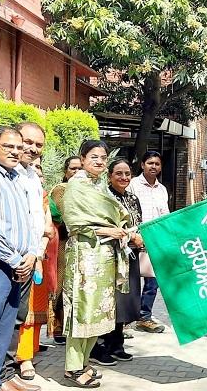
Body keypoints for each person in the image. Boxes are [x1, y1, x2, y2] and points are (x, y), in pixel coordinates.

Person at [61, 140, 131, 388]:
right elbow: (76, 223)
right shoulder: (77, 186)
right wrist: (109, 231)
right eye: (94, 157)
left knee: (98, 311)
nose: (100, 162)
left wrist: (117, 231)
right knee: (82, 310)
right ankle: (73, 367)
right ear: (82, 158)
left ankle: (84, 361)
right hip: (84, 256)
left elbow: (115, 217)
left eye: (103, 157)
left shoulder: (98, 186)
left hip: (103, 257)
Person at [0, 126, 38, 391]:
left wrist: (30, 253)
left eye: (19, 147)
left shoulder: (16, 178)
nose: (16, 152)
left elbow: (27, 221)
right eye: (9, 146)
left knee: (3, 333)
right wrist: (17, 260)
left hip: (18, 266)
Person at [90, 159, 144, 365]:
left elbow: (138, 223)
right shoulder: (105, 197)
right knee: (110, 301)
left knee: (125, 301)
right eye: (118, 174)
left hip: (130, 255)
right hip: (110, 255)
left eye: (127, 174)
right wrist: (130, 237)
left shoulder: (132, 197)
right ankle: (101, 345)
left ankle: (116, 345)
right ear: (110, 175)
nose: (123, 178)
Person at [10, 124, 48, 385]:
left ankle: (5, 373)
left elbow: (37, 222)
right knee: (0, 318)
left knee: (16, 319)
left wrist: (37, 253)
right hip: (7, 259)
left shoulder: (33, 178)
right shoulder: (3, 175)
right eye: (28, 142)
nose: (32, 149)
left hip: (30, 259)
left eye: (39, 145)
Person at [14, 158, 56, 382]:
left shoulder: (42, 194)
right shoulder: (17, 190)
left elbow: (48, 228)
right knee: (25, 310)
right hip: (25, 258)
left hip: (42, 256)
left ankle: (33, 349)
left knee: (38, 307)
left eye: (40, 166)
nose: (37, 170)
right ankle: (23, 357)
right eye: (34, 166)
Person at [127, 151, 169, 333]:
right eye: (150, 163)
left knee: (152, 281)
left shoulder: (162, 189)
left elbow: (164, 215)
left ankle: (144, 317)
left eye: (157, 164)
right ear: (143, 164)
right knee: (131, 281)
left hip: (155, 241)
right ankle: (124, 322)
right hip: (134, 240)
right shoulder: (133, 185)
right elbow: (127, 211)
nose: (154, 167)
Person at [49, 156, 82, 346]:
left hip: (83, 245)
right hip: (63, 243)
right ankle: (58, 325)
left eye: (80, 169)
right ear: (65, 171)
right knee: (61, 283)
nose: (76, 173)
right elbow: (66, 214)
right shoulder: (61, 190)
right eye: (73, 169)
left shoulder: (88, 190)